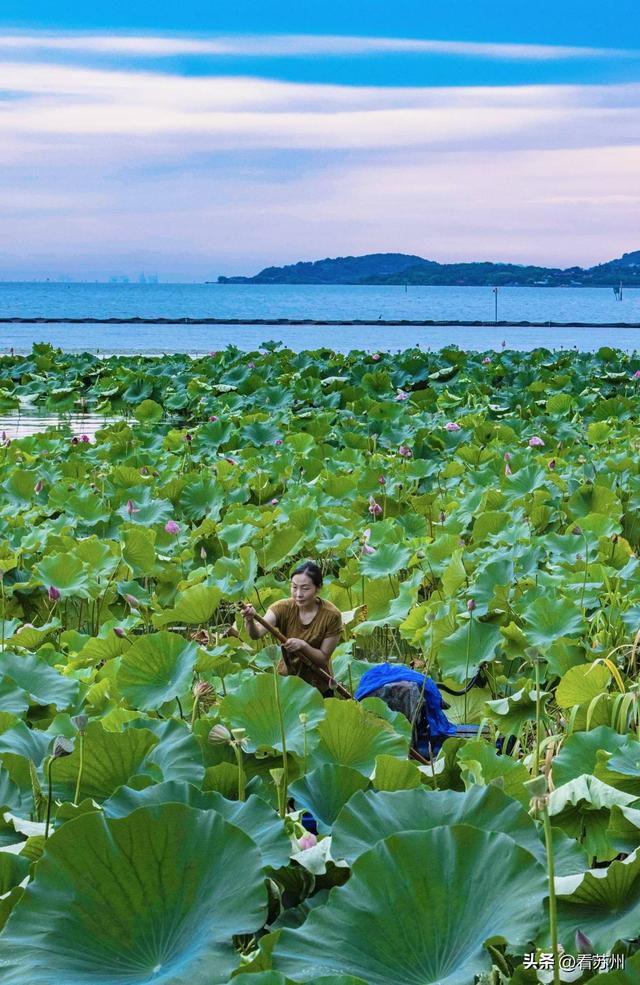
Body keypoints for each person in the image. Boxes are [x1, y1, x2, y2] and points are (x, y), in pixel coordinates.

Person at [240, 561, 342, 696]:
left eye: (305, 588)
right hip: (287, 681)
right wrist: (249, 620)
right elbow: (256, 633)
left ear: (318, 588)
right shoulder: (282, 608)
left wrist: (303, 645)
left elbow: (323, 658)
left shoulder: (332, 615)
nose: (298, 594)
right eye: (294, 587)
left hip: (319, 683)